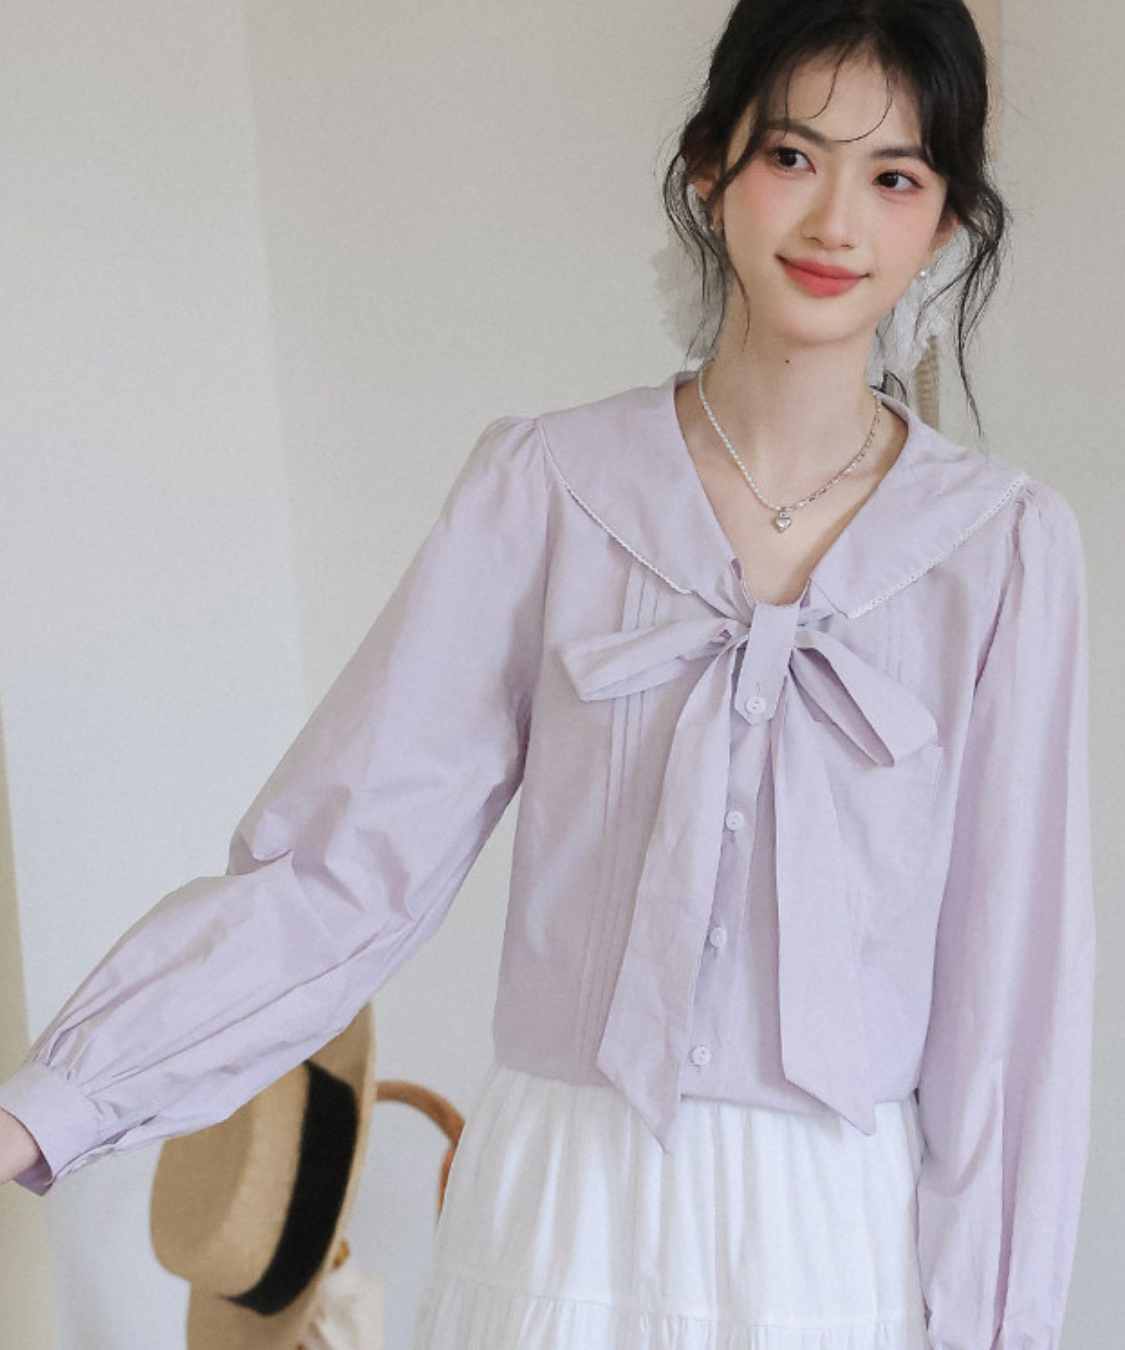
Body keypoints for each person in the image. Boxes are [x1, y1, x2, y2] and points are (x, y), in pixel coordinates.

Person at [0, 1, 1096, 1347]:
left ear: (949, 220)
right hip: (561, 1215)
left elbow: (1010, 1014)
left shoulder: (1003, 553)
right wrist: (50, 1102)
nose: (836, 222)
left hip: (835, 1242)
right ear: (711, 167)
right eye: (793, 156)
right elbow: (343, 870)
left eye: (895, 178)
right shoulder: (549, 489)